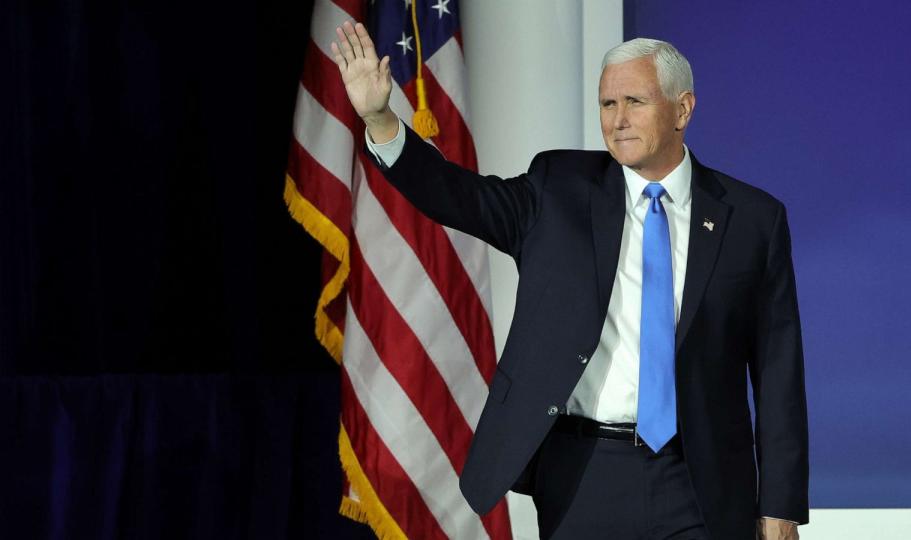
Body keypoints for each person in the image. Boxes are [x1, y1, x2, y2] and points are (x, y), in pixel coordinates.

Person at [332, 21, 808, 540]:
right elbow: (457, 196)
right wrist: (381, 119)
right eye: (607, 104)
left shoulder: (753, 220)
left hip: (697, 479)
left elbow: (777, 370)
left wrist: (779, 504)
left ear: (683, 109)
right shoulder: (557, 189)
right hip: (583, 472)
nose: (618, 120)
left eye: (635, 102)